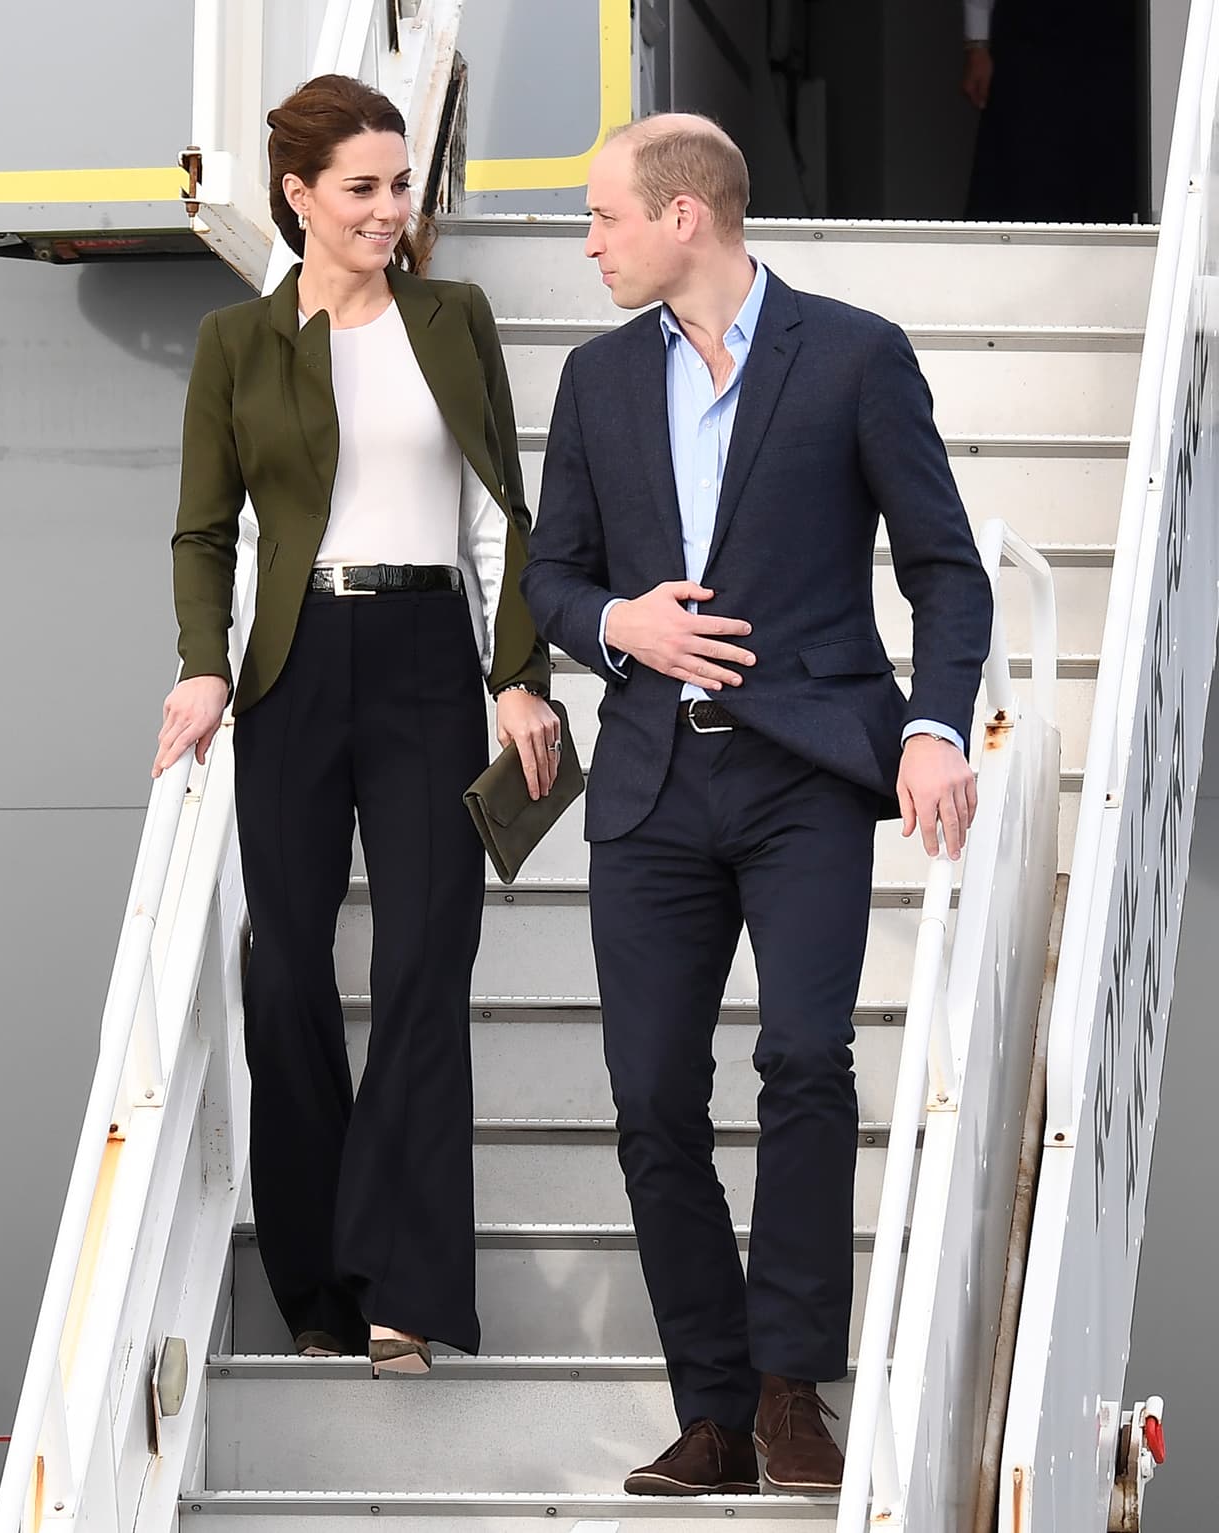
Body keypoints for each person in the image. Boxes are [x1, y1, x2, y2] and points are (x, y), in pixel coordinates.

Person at [522, 115, 992, 1495]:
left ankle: (794, 1392)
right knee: (652, 1099)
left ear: (686, 217)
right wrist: (623, 625)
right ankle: (712, 1409)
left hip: (804, 777)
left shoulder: (852, 355)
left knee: (804, 1063)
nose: (589, 242)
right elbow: (550, 576)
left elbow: (946, 573)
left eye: (603, 216)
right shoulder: (598, 380)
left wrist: (928, 727)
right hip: (654, 788)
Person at [152, 75, 559, 1373]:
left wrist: (517, 673)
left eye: (402, 185)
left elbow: (499, 507)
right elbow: (206, 531)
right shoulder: (237, 344)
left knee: (425, 970)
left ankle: (406, 1290)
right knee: (285, 981)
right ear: (299, 196)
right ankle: (318, 1287)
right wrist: (201, 667)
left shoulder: (457, 319)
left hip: (433, 662)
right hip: (295, 666)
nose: (391, 210)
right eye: (364, 188)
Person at [962, 0, 1137, 222]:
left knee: (1108, 167)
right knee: (1024, 172)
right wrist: (978, 43)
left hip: (1111, 36)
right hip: (1030, 35)